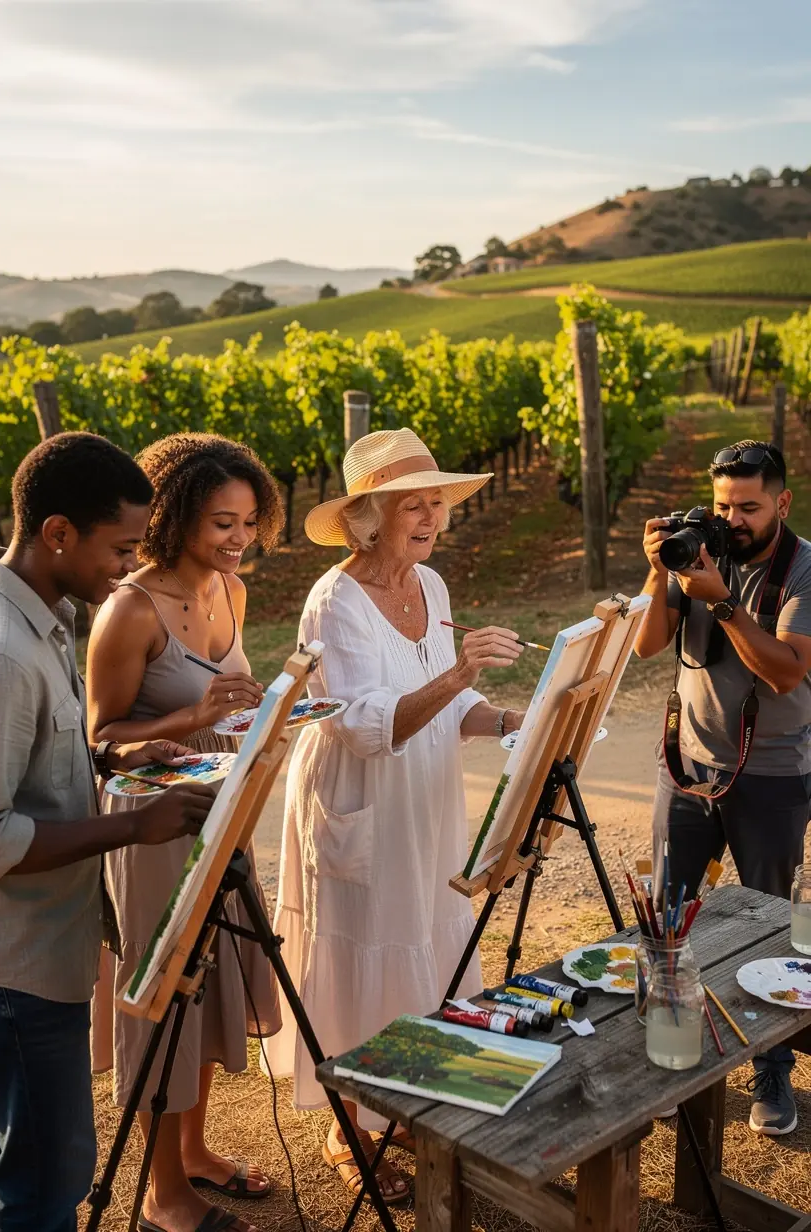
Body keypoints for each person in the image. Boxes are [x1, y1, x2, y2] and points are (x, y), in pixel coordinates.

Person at [267, 428, 526, 1202]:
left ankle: (402, 1097)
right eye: (413, 504)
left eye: (438, 502)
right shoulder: (334, 599)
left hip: (424, 799)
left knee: (424, 933)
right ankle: (349, 1126)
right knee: (363, 950)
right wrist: (458, 676)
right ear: (368, 517)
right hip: (362, 799)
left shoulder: (432, 585)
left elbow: (452, 704)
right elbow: (363, 723)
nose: (432, 517)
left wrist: (511, 719)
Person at [0, 432, 216, 1232]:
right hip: (16, 970)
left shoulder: (42, 618)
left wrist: (106, 754)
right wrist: (134, 830)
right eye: (121, 547)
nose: (130, 566)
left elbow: (30, 757)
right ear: (59, 533)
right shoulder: (4, 652)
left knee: (46, 1166)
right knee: (43, 1187)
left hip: (42, 952)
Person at [87, 434, 285, 1232]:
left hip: (219, 799)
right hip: (152, 818)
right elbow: (101, 737)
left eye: (247, 522)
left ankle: (196, 1152)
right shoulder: (128, 609)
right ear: (172, 518)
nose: (237, 540)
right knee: (161, 990)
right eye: (219, 524)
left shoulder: (229, 590)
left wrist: (269, 708)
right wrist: (194, 718)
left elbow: (226, 699)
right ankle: (165, 1193)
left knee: (205, 976)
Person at [636, 439, 811, 1137]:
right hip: (687, 768)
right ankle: (666, 1059)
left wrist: (728, 607)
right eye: (721, 506)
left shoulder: (802, 567)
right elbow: (649, 645)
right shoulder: (697, 550)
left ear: (782, 502)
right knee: (669, 921)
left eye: (747, 507)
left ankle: (771, 1069)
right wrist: (659, 575)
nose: (731, 521)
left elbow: (787, 673)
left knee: (769, 927)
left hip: (771, 773)